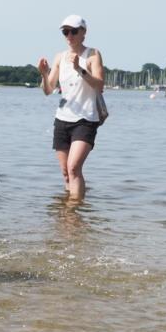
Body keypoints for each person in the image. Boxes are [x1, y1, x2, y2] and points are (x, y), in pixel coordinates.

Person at [37, 14, 104, 201]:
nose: (69, 35)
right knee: (66, 173)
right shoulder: (60, 57)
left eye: (73, 31)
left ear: (83, 33)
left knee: (74, 168)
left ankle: (74, 210)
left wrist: (79, 69)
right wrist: (44, 74)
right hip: (62, 119)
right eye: (65, 32)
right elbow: (48, 90)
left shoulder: (93, 54)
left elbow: (100, 85)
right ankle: (69, 210)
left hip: (86, 119)